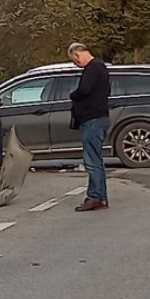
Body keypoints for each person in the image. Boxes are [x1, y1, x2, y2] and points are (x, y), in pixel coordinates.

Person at [68, 43, 110, 212]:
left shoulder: (93, 68)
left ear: (77, 55)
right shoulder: (101, 67)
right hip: (98, 117)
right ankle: (100, 196)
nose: (75, 64)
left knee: (92, 161)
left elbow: (84, 90)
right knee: (96, 159)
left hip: (92, 119)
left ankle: (96, 196)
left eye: (74, 61)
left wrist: (74, 95)